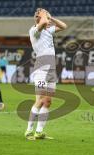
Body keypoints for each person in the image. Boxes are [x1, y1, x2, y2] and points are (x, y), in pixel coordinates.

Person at [24, 8, 67, 139]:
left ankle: (39, 132)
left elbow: (64, 26)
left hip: (51, 69)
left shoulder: (48, 30)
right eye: (37, 16)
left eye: (41, 16)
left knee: (48, 101)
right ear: (36, 18)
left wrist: (51, 17)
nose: (41, 18)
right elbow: (42, 24)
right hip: (41, 68)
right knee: (41, 99)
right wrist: (43, 15)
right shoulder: (34, 31)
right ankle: (29, 130)